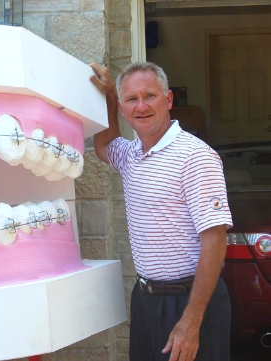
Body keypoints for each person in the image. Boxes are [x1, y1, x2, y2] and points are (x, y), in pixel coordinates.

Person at [89, 61, 232, 361]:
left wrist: (191, 321)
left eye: (149, 96)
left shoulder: (195, 157)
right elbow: (104, 145)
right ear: (124, 108)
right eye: (131, 99)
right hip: (147, 300)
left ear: (168, 100)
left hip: (190, 302)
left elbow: (215, 241)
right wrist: (109, 100)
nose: (141, 106)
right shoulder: (130, 155)